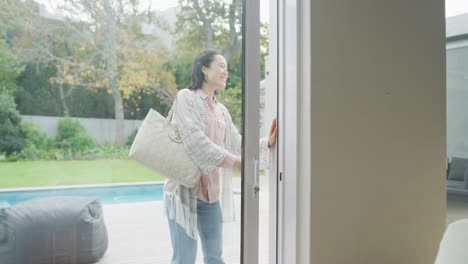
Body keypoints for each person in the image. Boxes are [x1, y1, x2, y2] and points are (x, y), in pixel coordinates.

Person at [164, 49, 277, 264]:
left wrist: (267, 144)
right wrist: (235, 162)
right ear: (204, 69)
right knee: (184, 259)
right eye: (221, 66)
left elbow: (237, 143)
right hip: (183, 193)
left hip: (210, 197)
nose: (226, 71)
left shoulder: (221, 110)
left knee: (215, 257)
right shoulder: (186, 98)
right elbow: (195, 141)